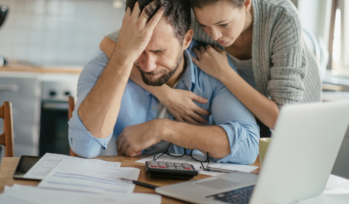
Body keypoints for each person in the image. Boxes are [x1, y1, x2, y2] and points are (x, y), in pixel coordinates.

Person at [68, 0, 260, 164]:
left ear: (186, 40)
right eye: (140, 50)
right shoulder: (102, 69)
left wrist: (164, 129)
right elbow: (84, 146)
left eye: (159, 52)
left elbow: (249, 147)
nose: (148, 65)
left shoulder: (212, 69)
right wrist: (124, 57)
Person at [100, 0, 322, 137]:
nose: (214, 35)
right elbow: (110, 44)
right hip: (252, 116)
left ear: (246, 3)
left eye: (223, 24)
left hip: (299, 121)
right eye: (205, 25)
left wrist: (224, 73)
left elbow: (285, 119)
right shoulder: (196, 18)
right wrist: (166, 95)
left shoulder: (281, 18)